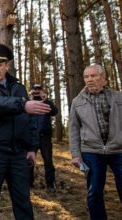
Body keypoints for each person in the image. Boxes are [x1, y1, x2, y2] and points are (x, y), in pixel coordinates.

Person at [0, 43, 52, 220]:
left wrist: (31, 147)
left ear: (7, 65)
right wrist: (22, 104)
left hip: (18, 153)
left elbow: (28, 120)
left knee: (23, 201)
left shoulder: (18, 88)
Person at [69, 64, 122, 220]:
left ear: (104, 79)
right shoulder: (77, 101)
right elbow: (73, 129)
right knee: (94, 192)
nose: (89, 80)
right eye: (86, 77)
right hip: (91, 151)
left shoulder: (119, 98)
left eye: (94, 76)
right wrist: (75, 154)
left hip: (118, 150)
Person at [28, 83, 58, 192]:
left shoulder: (46, 102)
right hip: (31, 137)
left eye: (39, 90)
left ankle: (50, 184)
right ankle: (29, 183)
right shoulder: (29, 103)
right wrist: (29, 100)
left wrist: (46, 100)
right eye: (34, 90)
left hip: (45, 137)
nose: (37, 92)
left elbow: (55, 112)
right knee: (29, 161)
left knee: (48, 161)